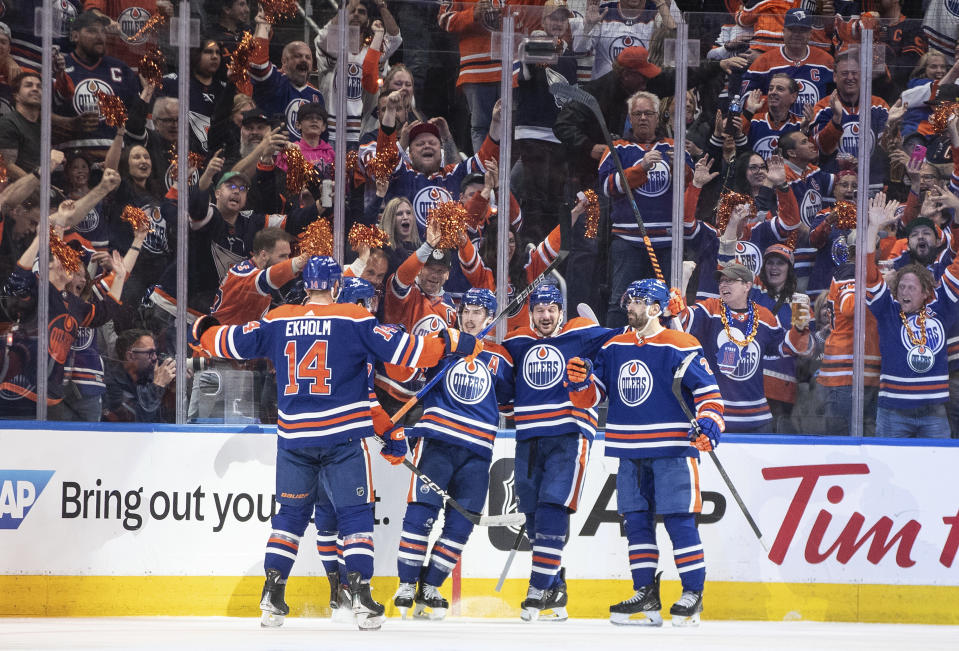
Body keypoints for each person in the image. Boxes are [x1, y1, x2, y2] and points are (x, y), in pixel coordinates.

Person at [194, 256, 482, 630]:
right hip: (342, 439)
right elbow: (410, 353)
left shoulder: (279, 317)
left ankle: (272, 595)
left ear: (307, 284)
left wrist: (203, 328)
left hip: (295, 441)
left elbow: (228, 342)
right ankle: (361, 598)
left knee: (289, 520)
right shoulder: (354, 318)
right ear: (334, 286)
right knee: (355, 518)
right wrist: (453, 341)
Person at [566, 278, 723, 626]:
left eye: (637, 302)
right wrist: (579, 383)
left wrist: (710, 424)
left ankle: (692, 593)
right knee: (636, 524)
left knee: (680, 522)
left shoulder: (681, 344)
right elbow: (595, 396)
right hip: (628, 451)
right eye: (629, 301)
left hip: (672, 450)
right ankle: (645, 593)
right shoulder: (615, 346)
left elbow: (709, 394)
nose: (629, 307)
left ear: (656, 308)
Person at [393, 288, 514, 620]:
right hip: (438, 443)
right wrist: (448, 347)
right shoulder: (443, 343)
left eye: (479, 312)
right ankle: (406, 583)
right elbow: (414, 369)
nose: (472, 318)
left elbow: (507, 403)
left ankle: (431, 585)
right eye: (467, 311)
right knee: (421, 514)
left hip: (477, 452)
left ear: (490, 318)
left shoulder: (501, 358)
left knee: (461, 525)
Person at [503, 283, 618, 621]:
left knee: (554, 505)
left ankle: (537, 588)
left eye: (551, 309)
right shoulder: (517, 342)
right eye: (539, 309)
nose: (545, 315)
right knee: (536, 516)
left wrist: (670, 314)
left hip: (569, 432)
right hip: (528, 435)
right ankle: (555, 588)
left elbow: (624, 338)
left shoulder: (579, 333)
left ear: (560, 311)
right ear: (531, 311)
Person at [865, 192, 959, 438]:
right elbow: (868, 273)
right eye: (901, 287)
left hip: (934, 412)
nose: (904, 292)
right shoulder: (889, 311)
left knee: (936, 475)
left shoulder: (943, 306)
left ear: (927, 292)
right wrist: (873, 227)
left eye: (912, 287)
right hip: (893, 412)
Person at [681, 262, 811, 433]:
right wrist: (683, 281)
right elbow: (679, 322)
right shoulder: (710, 309)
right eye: (721, 281)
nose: (723, 285)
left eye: (730, 281)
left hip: (757, 419)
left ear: (747, 286)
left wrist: (800, 328)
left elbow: (786, 348)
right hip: (716, 415)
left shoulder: (764, 316)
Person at [249, 6, 324, 138]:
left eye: (308, 57)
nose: (304, 60)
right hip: (272, 155)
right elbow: (257, 66)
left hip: (306, 158)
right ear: (284, 62)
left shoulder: (316, 96)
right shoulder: (274, 81)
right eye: (297, 56)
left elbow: (322, 138)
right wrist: (262, 25)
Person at [103, 329, 176, 422]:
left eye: (155, 352)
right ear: (130, 356)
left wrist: (172, 390)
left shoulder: (149, 376)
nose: (155, 358)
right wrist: (158, 385)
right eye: (150, 353)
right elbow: (135, 420)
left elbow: (167, 420)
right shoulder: (111, 383)